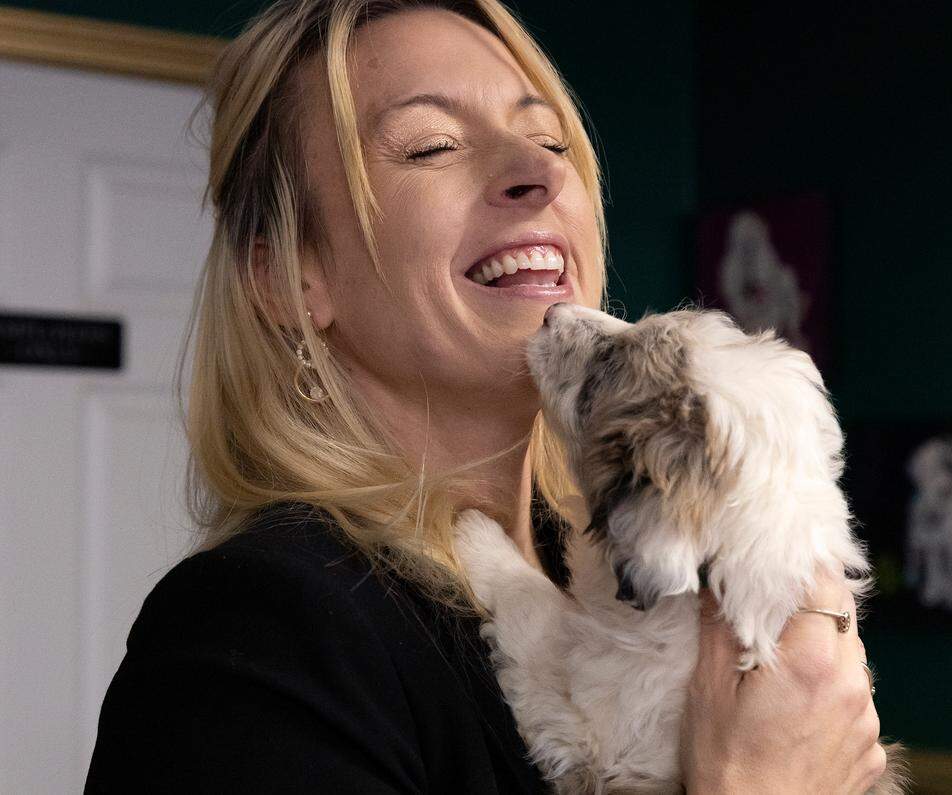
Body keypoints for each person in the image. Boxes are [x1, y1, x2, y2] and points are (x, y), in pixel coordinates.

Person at [85, 1, 886, 792]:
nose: (536, 172)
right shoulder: (257, 634)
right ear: (293, 279)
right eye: (431, 146)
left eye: (548, 138)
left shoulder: (636, 573)